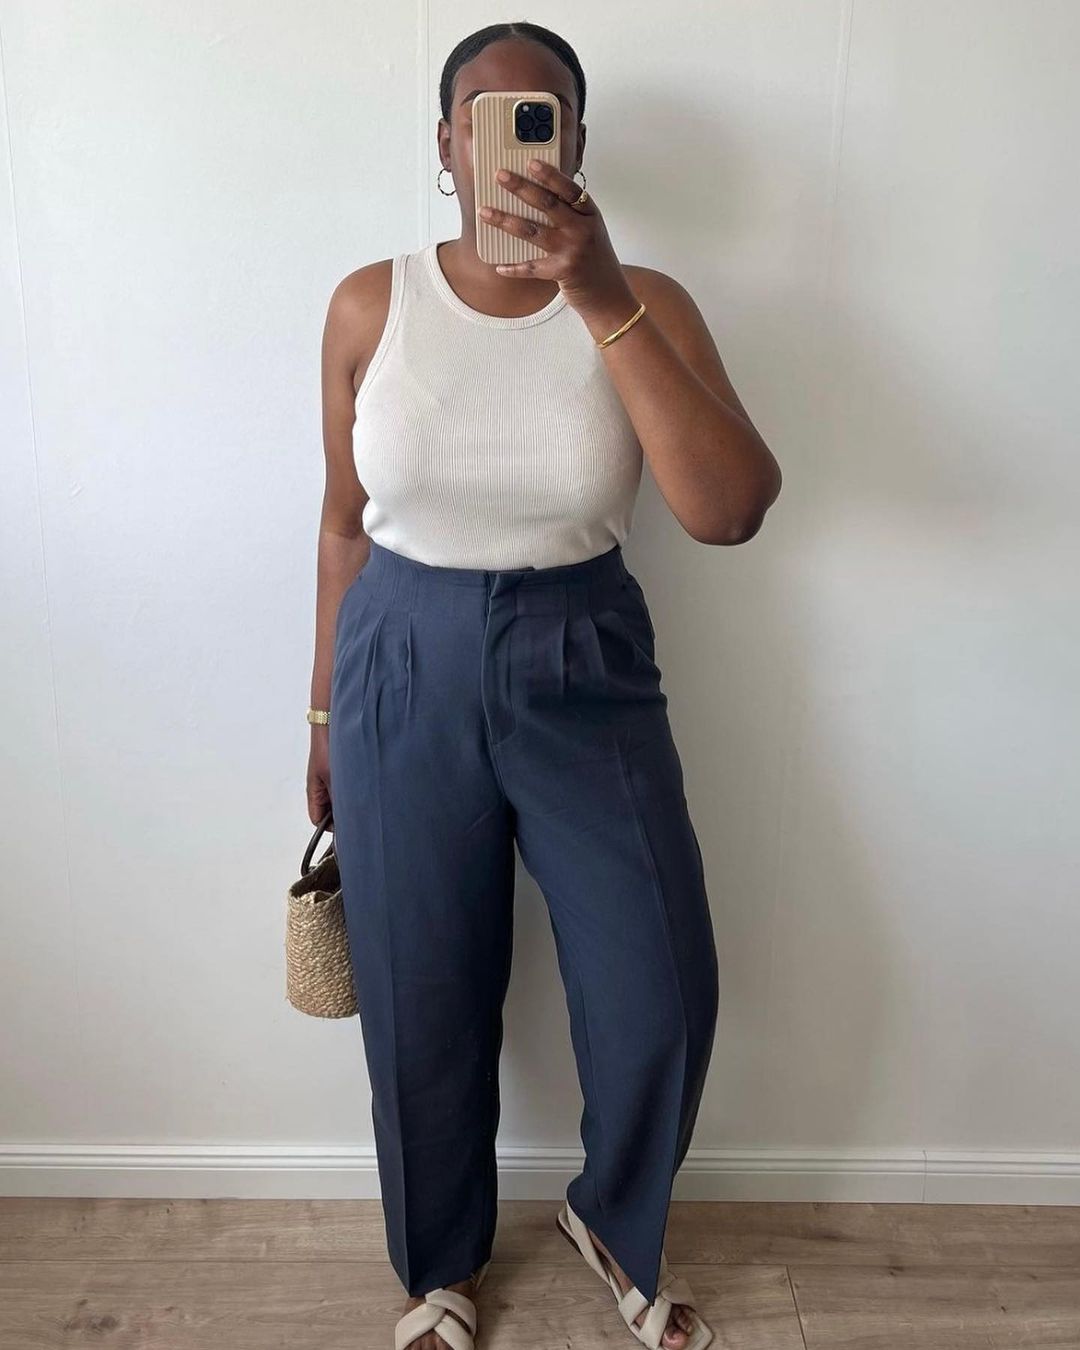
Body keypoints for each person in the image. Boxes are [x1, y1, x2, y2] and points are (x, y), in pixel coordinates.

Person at [307, 21, 781, 1350]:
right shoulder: (372, 303)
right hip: (399, 656)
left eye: (544, 116)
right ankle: (438, 1265)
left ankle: (613, 1216)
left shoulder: (644, 299)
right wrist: (323, 715)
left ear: (576, 141)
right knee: (421, 986)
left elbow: (730, 509)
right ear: (447, 143)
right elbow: (341, 523)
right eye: (487, 116)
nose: (514, 142)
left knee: (660, 983)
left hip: (586, 657)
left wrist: (600, 288)